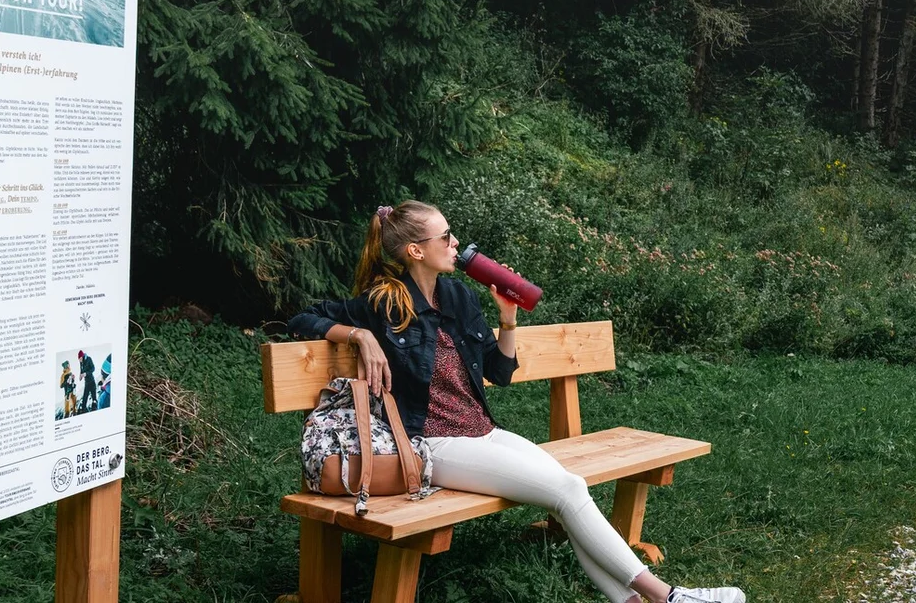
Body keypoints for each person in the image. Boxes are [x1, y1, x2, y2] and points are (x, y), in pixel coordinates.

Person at [290, 201, 746, 603]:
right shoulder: (385, 304)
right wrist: (360, 335)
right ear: (415, 250)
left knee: (570, 488)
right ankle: (668, 597)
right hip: (434, 443)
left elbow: (500, 373)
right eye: (446, 236)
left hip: (482, 431)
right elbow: (303, 315)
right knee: (567, 491)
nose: (456, 244)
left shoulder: (458, 296)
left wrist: (506, 320)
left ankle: (633, 602)